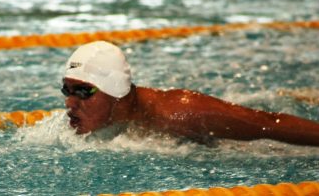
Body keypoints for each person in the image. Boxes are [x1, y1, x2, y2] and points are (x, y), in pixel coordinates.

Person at [62, 41, 319, 146]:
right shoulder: (101, 122)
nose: (70, 103)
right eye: (67, 90)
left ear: (115, 90)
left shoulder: (181, 113)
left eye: (83, 91)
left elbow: (268, 124)